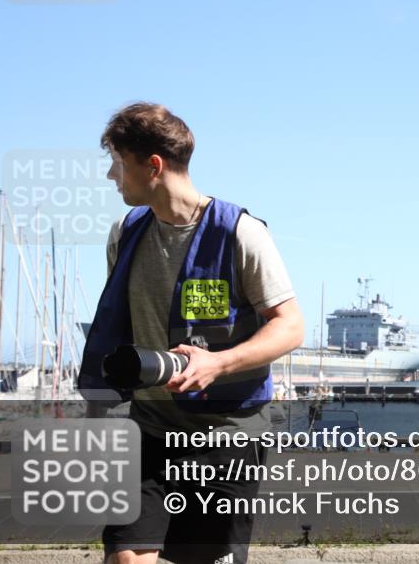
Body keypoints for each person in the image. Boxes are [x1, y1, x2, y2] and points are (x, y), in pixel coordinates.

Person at [78, 102, 304, 564]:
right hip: (149, 430)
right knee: (126, 557)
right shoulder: (125, 231)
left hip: (227, 434)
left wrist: (218, 363)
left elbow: (291, 325)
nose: (110, 176)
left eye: (117, 163)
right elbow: (117, 328)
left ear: (153, 166)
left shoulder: (241, 233)